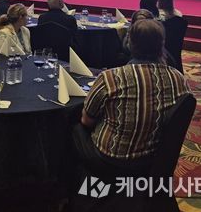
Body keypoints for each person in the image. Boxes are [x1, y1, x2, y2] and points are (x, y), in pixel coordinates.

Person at [71, 19, 190, 175]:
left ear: (129, 45)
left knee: (72, 124)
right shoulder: (179, 79)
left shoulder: (111, 77)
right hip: (155, 158)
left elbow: (87, 121)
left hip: (110, 159)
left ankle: (70, 182)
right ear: (162, 46)